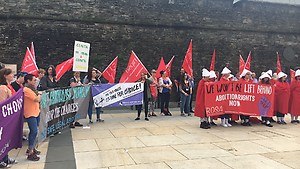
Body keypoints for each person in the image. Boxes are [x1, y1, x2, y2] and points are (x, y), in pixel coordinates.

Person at [0, 68, 17, 168]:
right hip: (3, 117)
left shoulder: (8, 86)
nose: (13, 76)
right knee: (2, 138)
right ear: (5, 76)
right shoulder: (2, 88)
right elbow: (2, 104)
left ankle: (6, 157)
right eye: (11, 74)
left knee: (7, 138)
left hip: (8, 116)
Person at [23, 74, 42, 161]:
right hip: (30, 113)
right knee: (33, 131)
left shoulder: (32, 89)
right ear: (28, 81)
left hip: (36, 112)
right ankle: (30, 152)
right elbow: (36, 99)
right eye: (34, 80)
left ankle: (32, 148)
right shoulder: (26, 90)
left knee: (35, 131)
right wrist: (39, 95)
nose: (35, 81)